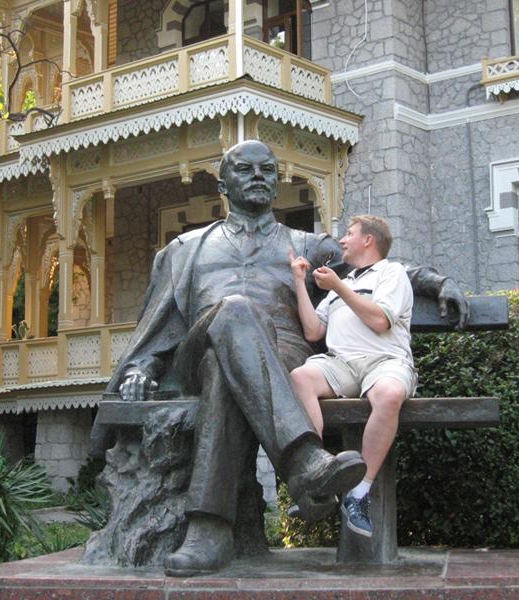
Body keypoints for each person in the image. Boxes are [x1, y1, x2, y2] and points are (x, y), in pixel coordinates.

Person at [105, 140, 466, 575]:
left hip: (282, 358)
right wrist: (141, 367)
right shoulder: (186, 248)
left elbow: (377, 266)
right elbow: (158, 325)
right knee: (236, 311)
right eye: (245, 169)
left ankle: (209, 530)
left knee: (226, 367)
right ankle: (304, 463)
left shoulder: (305, 245)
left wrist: (437, 282)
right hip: (197, 355)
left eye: (268, 170)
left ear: (277, 184)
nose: (259, 176)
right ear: (223, 185)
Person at [289, 215, 416, 538]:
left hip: (385, 361)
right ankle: (318, 474)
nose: (342, 240)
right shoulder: (340, 286)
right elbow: (313, 330)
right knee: (301, 377)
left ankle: (359, 493)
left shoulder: (391, 273)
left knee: (389, 394)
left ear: (368, 240)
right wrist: (299, 282)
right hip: (342, 364)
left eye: (349, 234)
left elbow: (380, 321)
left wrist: (339, 287)